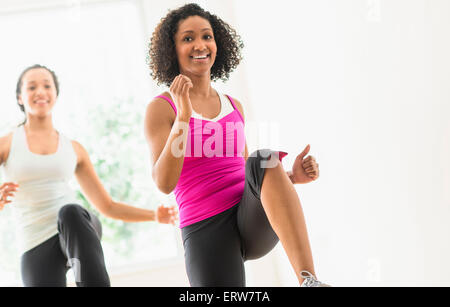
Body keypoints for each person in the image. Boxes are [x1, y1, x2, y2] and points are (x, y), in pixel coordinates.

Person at [145, 3, 328, 287]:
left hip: (249, 218)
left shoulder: (234, 106)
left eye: (207, 36)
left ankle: (309, 281)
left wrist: (292, 178)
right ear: (173, 49)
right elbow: (164, 183)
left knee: (264, 159)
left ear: (218, 43)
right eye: (188, 38)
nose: (200, 45)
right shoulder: (162, 108)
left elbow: (247, 174)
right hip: (205, 229)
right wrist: (183, 116)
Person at [0, 64, 178, 287]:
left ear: (55, 94)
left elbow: (107, 206)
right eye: (32, 87)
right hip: (33, 240)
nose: (40, 92)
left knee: (70, 212)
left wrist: (154, 215)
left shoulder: (74, 148)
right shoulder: (6, 144)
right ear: (19, 97)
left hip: (76, 228)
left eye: (47, 85)